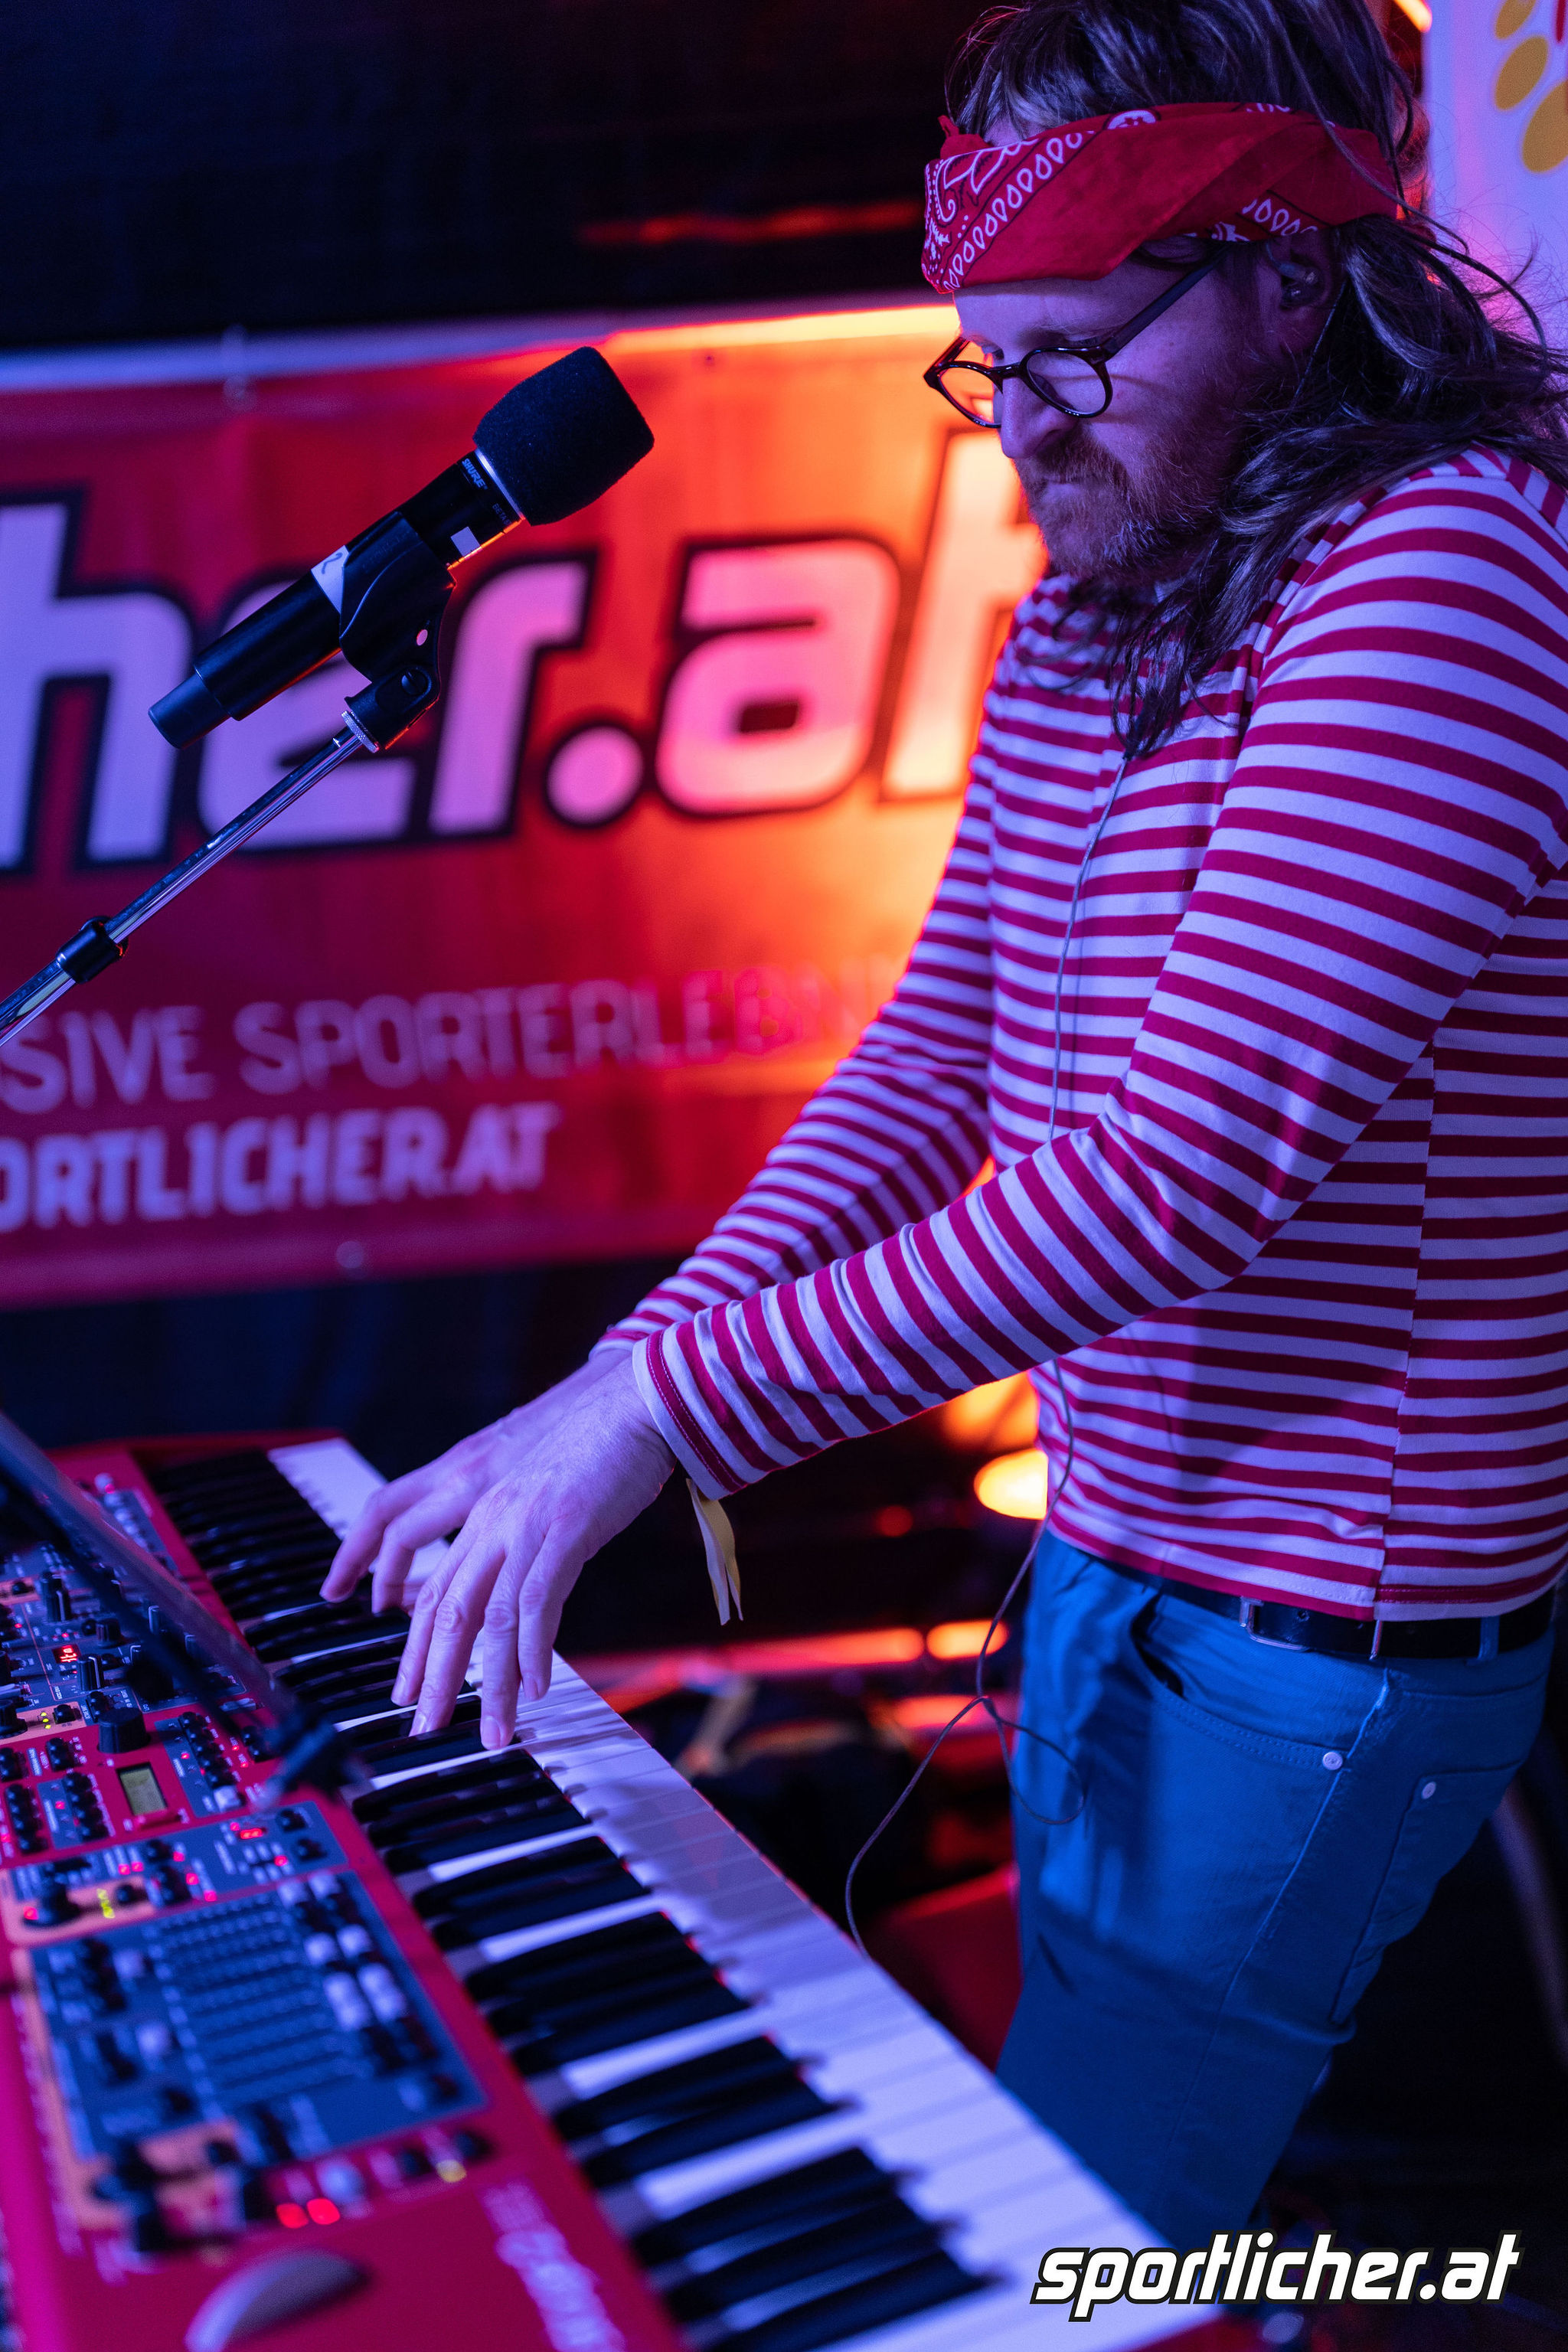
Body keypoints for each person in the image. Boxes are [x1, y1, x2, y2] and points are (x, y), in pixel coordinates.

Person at [324, 0, 1568, 2247]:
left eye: (1082, 350)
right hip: (1128, 1555)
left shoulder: (1446, 571)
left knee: (1086, 2255)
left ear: (1294, 276)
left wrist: (658, 1423)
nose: (1028, 425)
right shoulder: (1096, 615)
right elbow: (930, 1068)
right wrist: (625, 1375)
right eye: (993, 362)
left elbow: (1179, 1174)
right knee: (1070, 2209)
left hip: (1316, 1623)